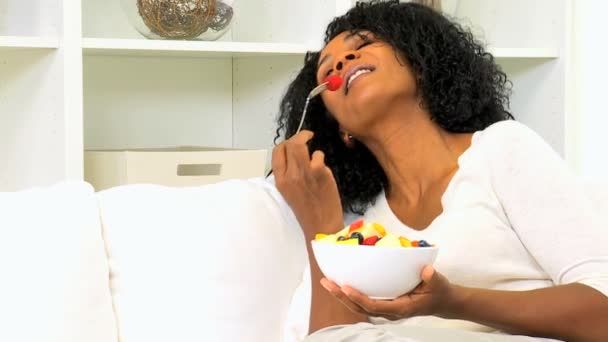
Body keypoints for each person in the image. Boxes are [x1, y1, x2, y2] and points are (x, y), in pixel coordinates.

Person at [269, 1, 608, 341]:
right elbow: (333, 337)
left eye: (364, 44)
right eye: (327, 71)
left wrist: (450, 301)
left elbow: (603, 310)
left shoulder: (501, 150)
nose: (341, 62)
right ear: (342, 129)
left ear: (420, 63)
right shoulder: (359, 228)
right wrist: (323, 228)